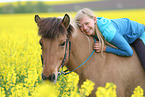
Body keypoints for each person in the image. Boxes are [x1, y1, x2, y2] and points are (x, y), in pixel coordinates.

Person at [74, 8, 145, 69]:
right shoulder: (93, 29)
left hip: (139, 35)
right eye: (81, 26)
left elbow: (129, 52)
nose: (85, 28)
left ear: (94, 19)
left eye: (87, 23)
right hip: (128, 38)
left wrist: (105, 48)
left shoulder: (108, 32)